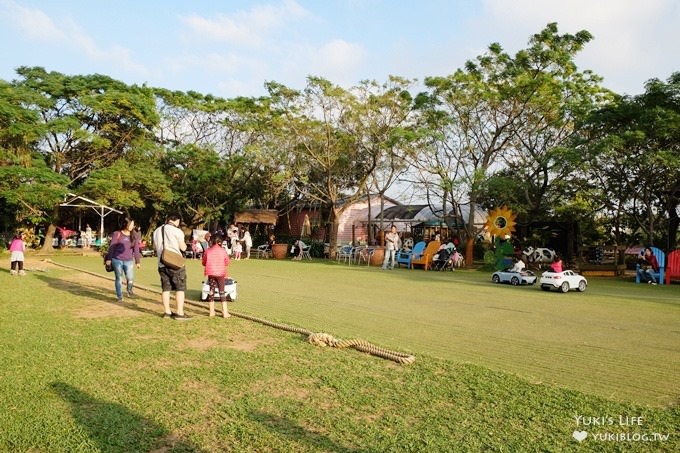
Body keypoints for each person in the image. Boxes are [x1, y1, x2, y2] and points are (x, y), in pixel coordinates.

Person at [152, 214, 190, 320]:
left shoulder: (156, 231)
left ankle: (167, 312)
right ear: (176, 220)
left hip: (161, 263)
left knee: (166, 288)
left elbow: (155, 247)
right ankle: (179, 312)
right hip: (175, 263)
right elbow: (182, 247)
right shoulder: (177, 231)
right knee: (180, 288)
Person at [105, 217, 141, 303]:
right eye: (130, 224)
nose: (132, 226)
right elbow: (112, 247)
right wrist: (109, 259)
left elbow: (136, 249)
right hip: (117, 260)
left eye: (133, 224)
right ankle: (119, 296)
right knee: (119, 278)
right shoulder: (117, 234)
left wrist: (138, 261)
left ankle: (129, 290)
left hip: (128, 260)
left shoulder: (134, 235)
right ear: (125, 224)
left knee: (130, 277)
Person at [202, 233, 231, 318]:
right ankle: (225, 312)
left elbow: (204, 262)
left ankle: (211, 312)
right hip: (221, 273)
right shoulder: (223, 250)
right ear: (220, 242)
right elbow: (227, 262)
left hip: (211, 273)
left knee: (211, 291)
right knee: (222, 292)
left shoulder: (208, 250)